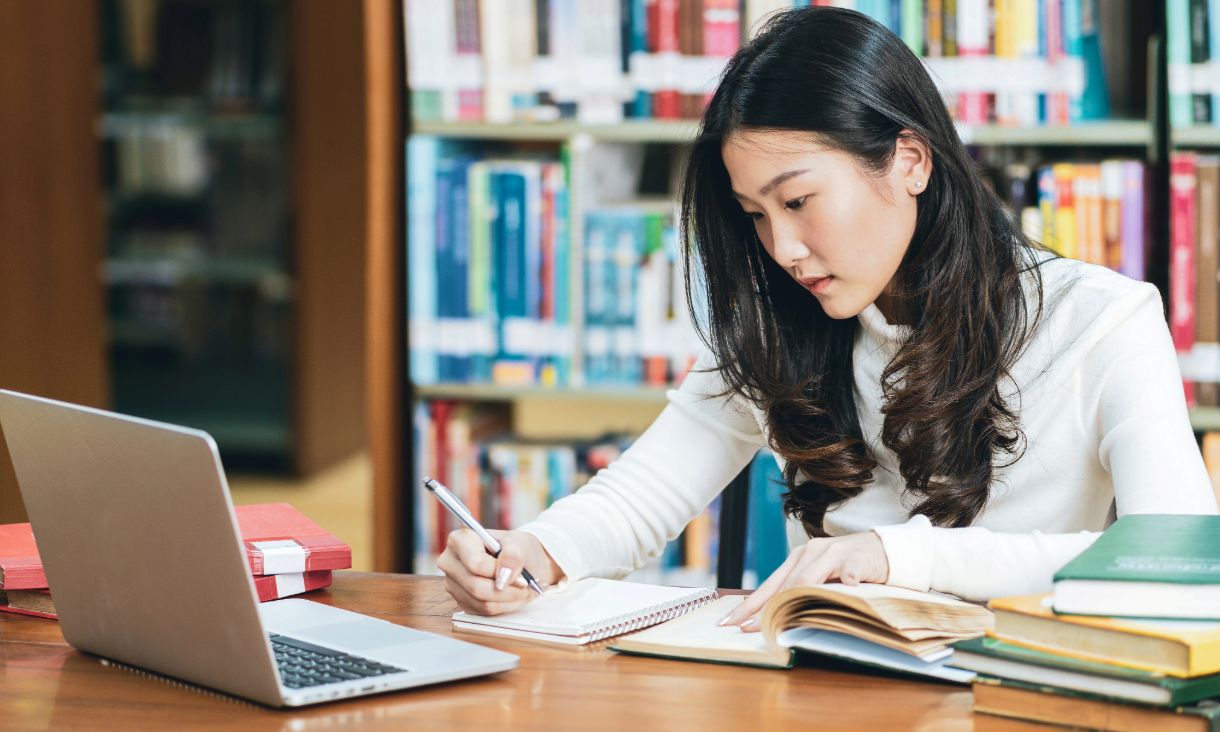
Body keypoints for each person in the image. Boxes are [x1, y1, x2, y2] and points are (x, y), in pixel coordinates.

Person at [436, 6, 1218, 628]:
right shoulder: (786, 323)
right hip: (830, 694)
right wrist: (536, 551)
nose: (783, 247)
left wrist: (895, 557)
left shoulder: (1102, 323)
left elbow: (1178, 562)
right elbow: (642, 494)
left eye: (800, 201)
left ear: (909, 160)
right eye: (755, 215)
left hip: (1023, 696)